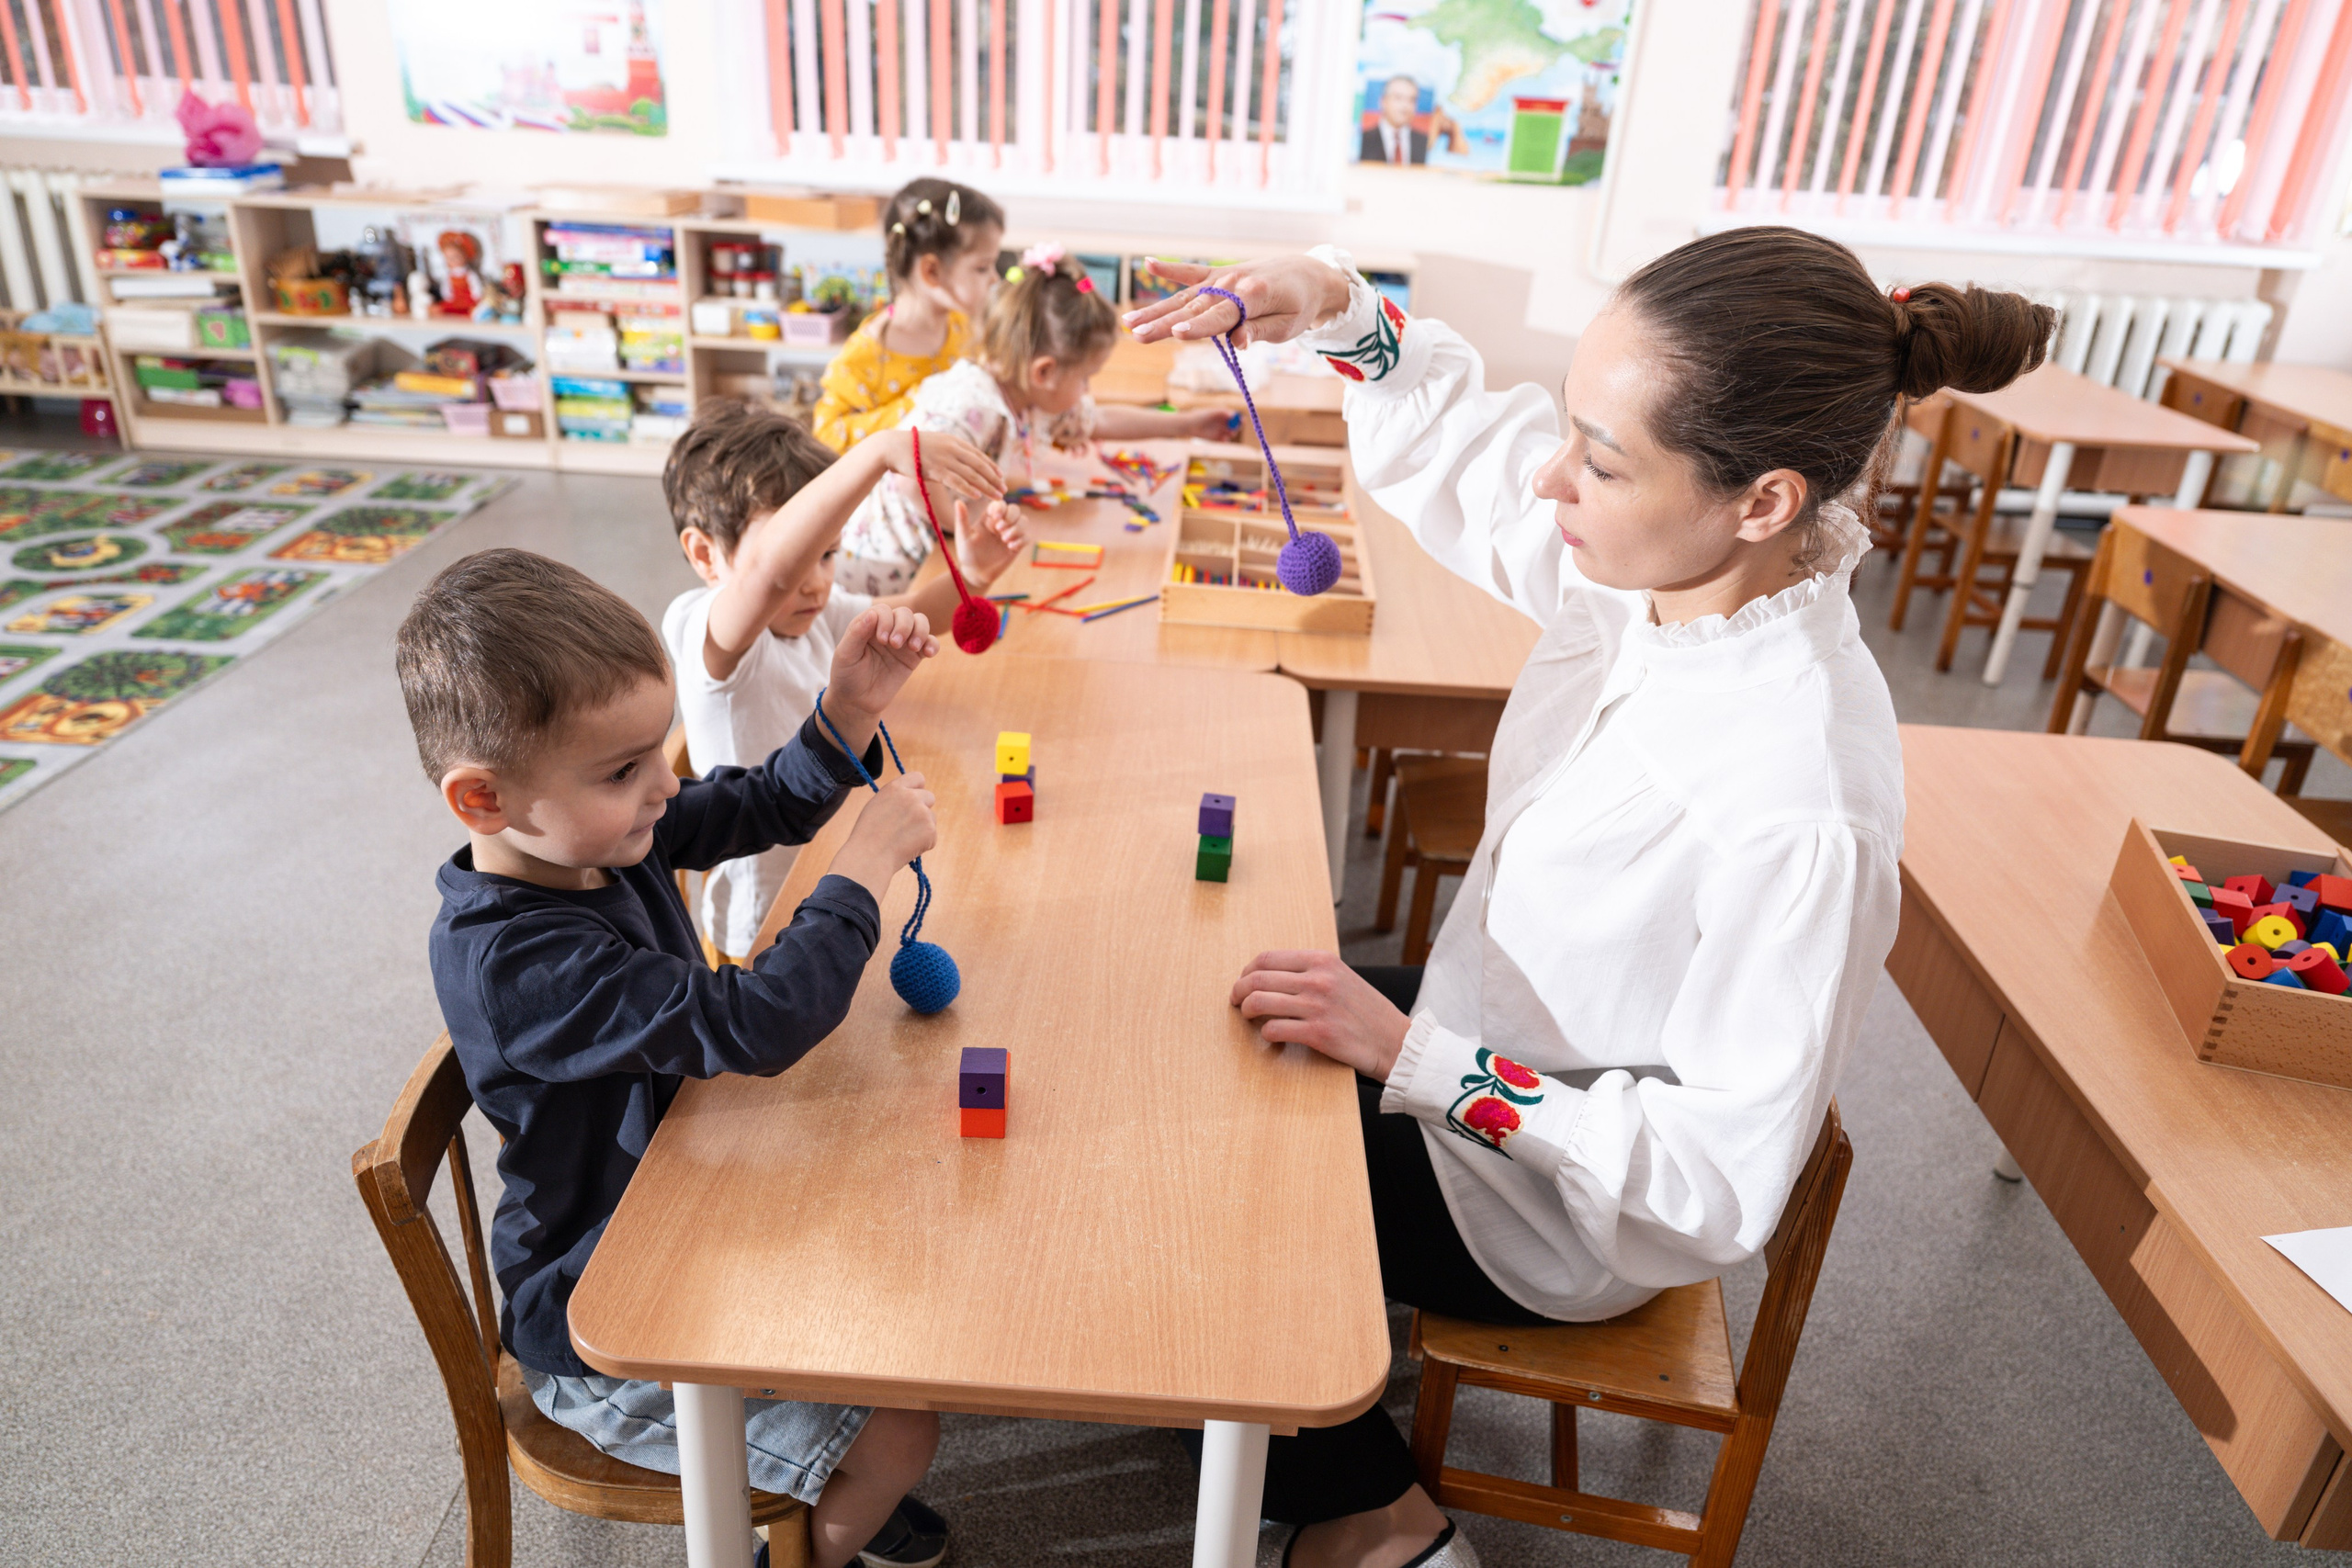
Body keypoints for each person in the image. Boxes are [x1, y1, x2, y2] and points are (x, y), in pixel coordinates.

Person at [1126, 229, 2053, 1568]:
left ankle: (1384, 1516)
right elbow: (1477, 458)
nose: (1557, 476)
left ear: (1764, 499)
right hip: (1475, 1050)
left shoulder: (1800, 796)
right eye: (1574, 427)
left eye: (1602, 459)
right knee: (1173, 1055)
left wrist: (1415, 1056)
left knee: (1167, 1191)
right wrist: (1338, 309)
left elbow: (1715, 1178)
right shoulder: (1669, 573)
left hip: (1549, 1199)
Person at [400, 547, 956, 1568]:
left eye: (659, 749)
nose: (666, 784)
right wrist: (863, 869)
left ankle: (834, 1487)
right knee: (903, 1425)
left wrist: (848, 715)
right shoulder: (520, 962)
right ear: (482, 800)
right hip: (598, 1324)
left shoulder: (594, 834)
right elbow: (757, 1023)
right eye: (625, 769)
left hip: (677, 1207)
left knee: (900, 1251)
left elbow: (751, 806)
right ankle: (805, 1535)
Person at [661, 398, 1018, 964]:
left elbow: (922, 610)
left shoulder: (821, 615)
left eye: (828, 554)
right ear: (706, 554)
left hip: (836, 887)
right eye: (803, 552)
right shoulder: (703, 631)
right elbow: (769, 574)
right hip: (759, 933)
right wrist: (876, 452)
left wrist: (973, 573)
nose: (814, 582)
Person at [834, 243, 1229, 596]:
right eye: (1085, 378)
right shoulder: (976, 406)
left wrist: (1187, 425)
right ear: (1044, 372)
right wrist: (959, 527)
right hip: (887, 567)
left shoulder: (1026, 394)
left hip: (931, 557)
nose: (1088, 391)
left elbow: (1098, 421)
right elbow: (906, 478)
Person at [811, 178, 1006, 454]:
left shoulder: (964, 328)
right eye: (983, 267)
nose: (994, 278)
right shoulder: (861, 359)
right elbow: (826, 438)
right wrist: (921, 402)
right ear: (932, 272)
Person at [1359, 75, 1428, 165]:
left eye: (1411, 100)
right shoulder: (1364, 140)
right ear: (1383, 101)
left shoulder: (1424, 142)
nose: (1405, 106)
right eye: (1398, 98)